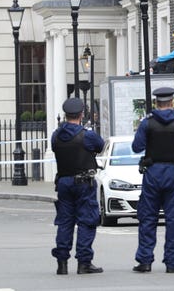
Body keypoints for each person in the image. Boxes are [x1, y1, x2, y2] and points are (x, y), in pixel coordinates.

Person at [131, 87, 174, 274]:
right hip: (173, 173)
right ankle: (172, 262)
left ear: (156, 103)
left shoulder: (147, 123)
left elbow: (137, 147)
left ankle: (145, 261)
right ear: (172, 102)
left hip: (152, 173)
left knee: (147, 218)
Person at [51, 97, 105, 275]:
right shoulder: (86, 135)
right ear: (81, 114)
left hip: (64, 182)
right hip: (83, 183)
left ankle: (62, 262)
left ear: (65, 115)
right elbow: (100, 145)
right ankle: (84, 262)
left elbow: (55, 148)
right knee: (87, 221)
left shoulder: (56, 135)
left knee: (65, 222)